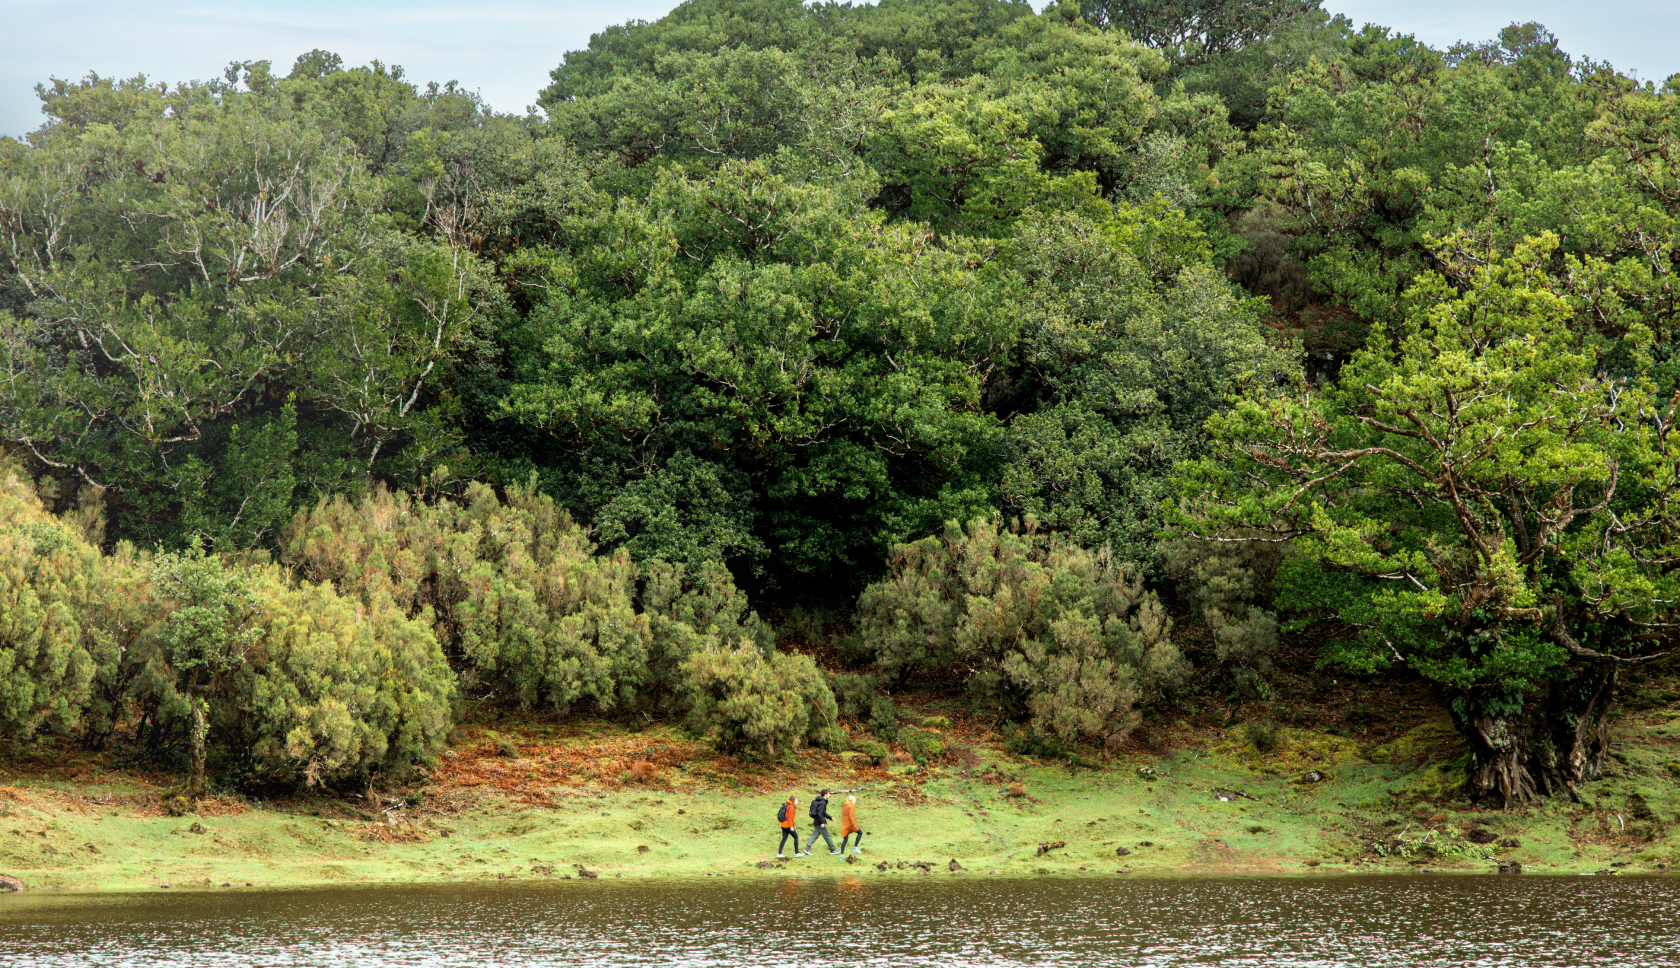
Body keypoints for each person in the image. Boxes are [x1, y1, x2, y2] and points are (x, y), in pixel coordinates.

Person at [805, 788, 839, 856]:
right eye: (829, 794)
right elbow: (820, 813)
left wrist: (830, 818)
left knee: (814, 836)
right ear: (825, 794)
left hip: (817, 821)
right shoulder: (823, 802)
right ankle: (832, 849)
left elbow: (823, 813)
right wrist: (822, 822)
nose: (829, 795)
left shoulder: (819, 801)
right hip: (820, 822)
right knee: (827, 835)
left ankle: (807, 848)